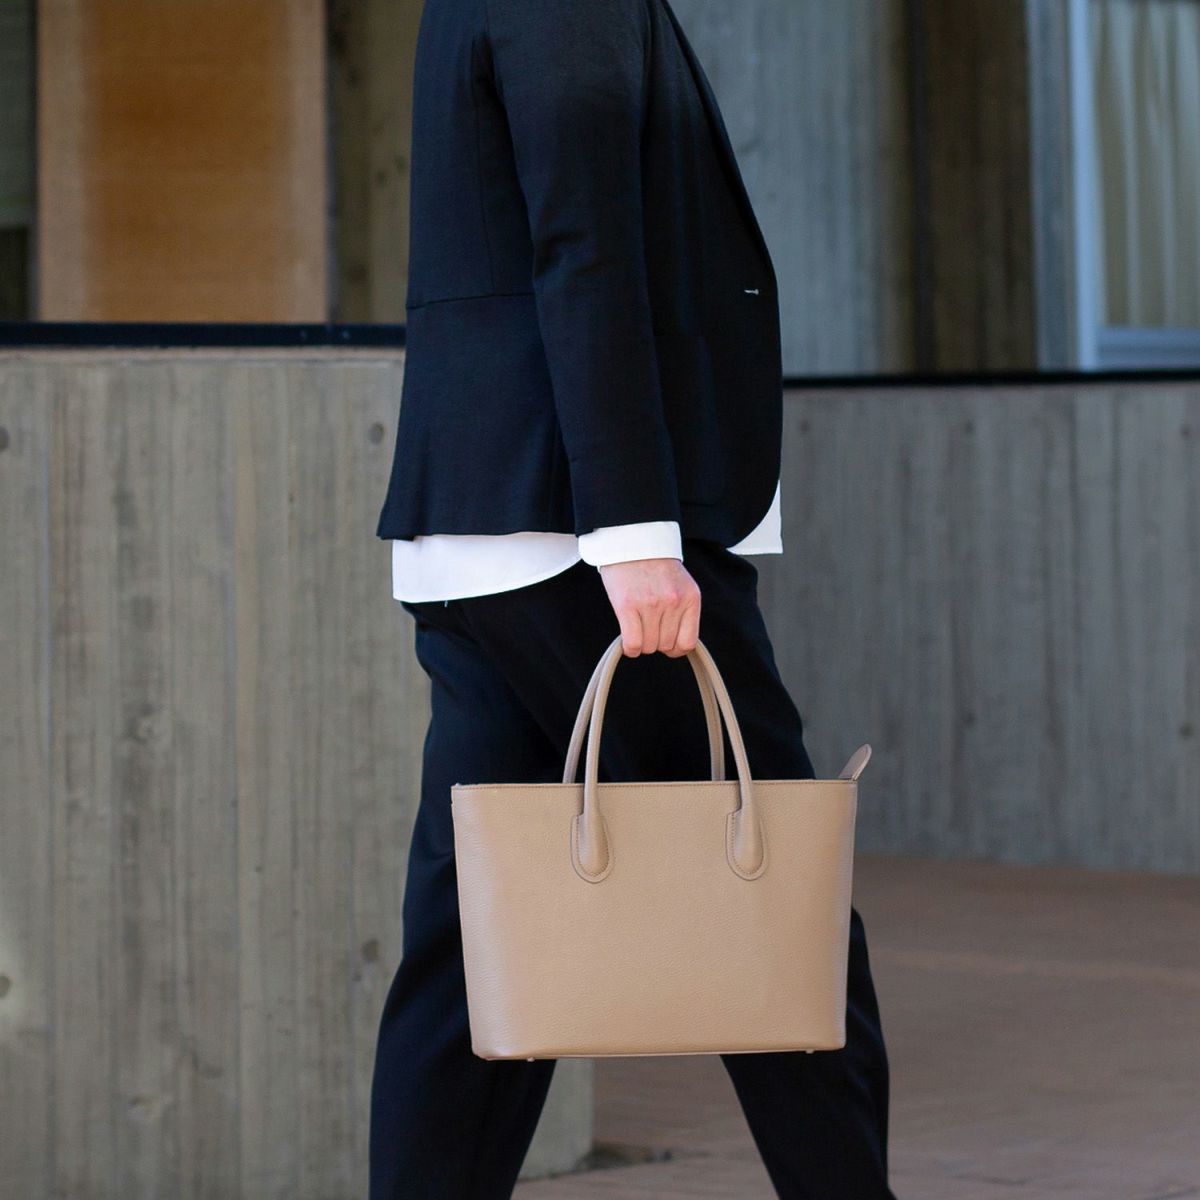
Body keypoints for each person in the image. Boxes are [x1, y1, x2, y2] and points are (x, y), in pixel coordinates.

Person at [368, 0, 897, 1196]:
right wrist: (634, 533)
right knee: (787, 920)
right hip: (584, 537)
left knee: (471, 959)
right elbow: (584, 241)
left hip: (497, 522)